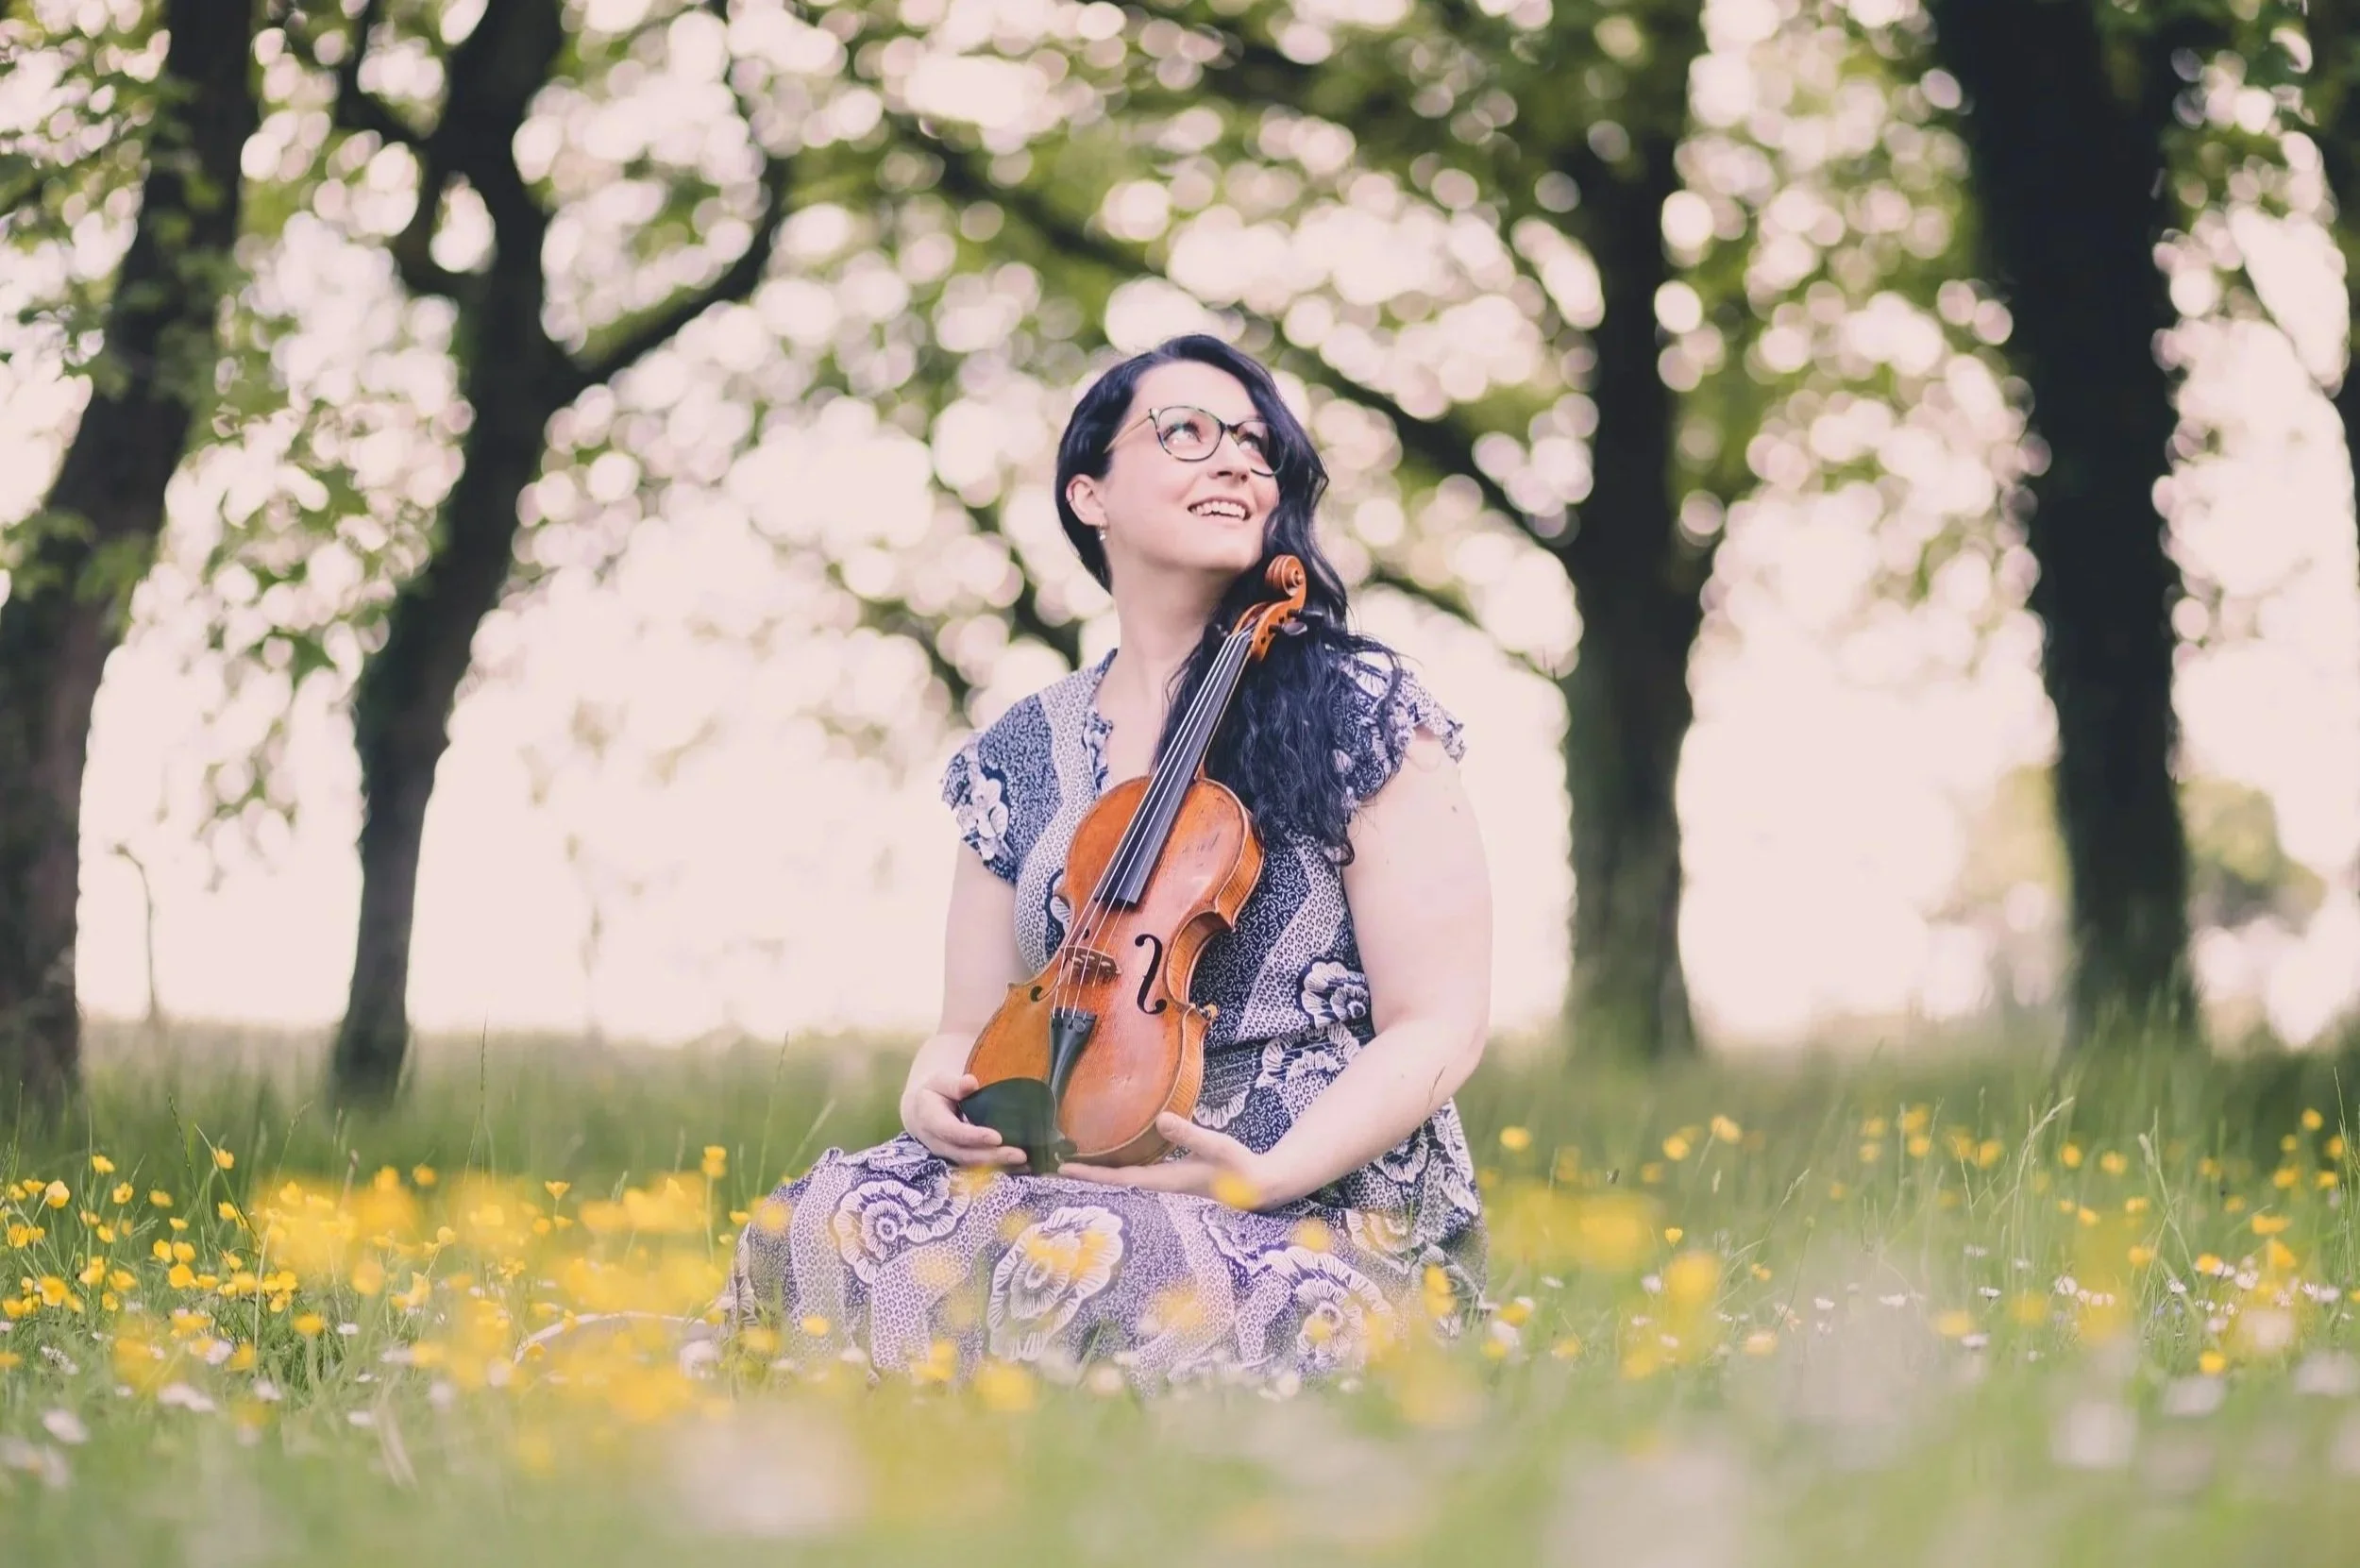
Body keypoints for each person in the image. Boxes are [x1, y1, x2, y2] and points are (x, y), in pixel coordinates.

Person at [722, 333, 1493, 1389]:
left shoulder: (1356, 710)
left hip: (1320, 1206)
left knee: (1084, 1263)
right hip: (1070, 1176)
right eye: (1187, 432)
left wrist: (1266, 1174)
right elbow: (967, 1023)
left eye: (1258, 448)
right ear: (1089, 493)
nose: (1236, 461)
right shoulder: (1019, 753)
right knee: (813, 1219)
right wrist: (930, 1095)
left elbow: (1439, 1021)